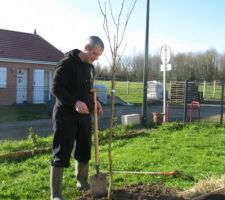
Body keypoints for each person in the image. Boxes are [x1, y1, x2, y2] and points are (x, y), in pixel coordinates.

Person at [50, 36, 104, 200]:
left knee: (84, 148)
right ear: (86, 47)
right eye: (95, 53)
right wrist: (74, 103)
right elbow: (55, 87)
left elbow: (87, 90)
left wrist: (96, 103)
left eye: (99, 55)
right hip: (65, 116)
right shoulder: (67, 64)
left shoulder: (90, 68)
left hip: (84, 117)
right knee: (62, 151)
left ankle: (82, 182)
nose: (97, 58)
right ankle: (56, 195)